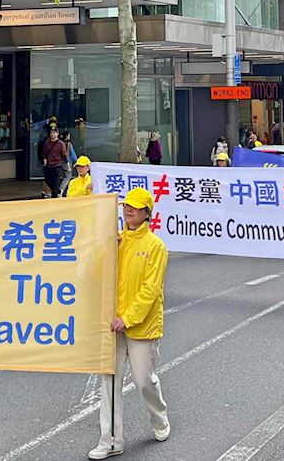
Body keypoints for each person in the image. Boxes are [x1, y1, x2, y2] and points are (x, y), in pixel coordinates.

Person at [91, 187, 170, 460]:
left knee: (143, 380)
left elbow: (151, 290)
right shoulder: (117, 240)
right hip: (112, 324)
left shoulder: (155, 247)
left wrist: (128, 318)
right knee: (109, 380)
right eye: (126, 206)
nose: (128, 210)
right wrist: (108, 250)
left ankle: (159, 419)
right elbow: (97, 273)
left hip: (141, 326)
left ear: (147, 213)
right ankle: (111, 441)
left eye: (135, 207)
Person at [38, 126, 67, 197]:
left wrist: (67, 165)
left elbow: (64, 154)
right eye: (51, 133)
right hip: (48, 165)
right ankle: (57, 190)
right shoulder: (47, 142)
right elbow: (44, 153)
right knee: (48, 180)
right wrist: (45, 161)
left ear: (57, 133)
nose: (52, 134)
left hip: (57, 165)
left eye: (54, 133)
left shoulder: (61, 143)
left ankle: (55, 195)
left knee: (56, 181)